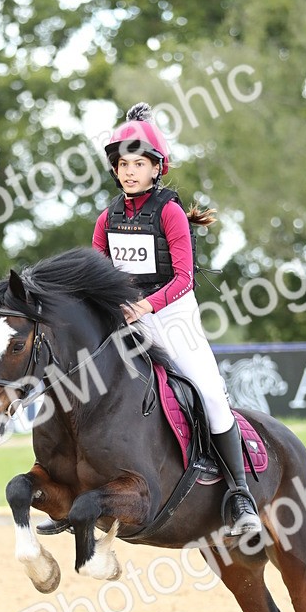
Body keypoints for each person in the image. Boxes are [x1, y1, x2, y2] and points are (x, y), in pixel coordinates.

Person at [93, 101, 261, 536]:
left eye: (138, 163)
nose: (129, 171)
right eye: (122, 164)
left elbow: (184, 278)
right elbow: (96, 276)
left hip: (172, 317)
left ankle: (240, 494)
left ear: (156, 167)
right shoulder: (106, 218)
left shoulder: (169, 212)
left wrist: (146, 306)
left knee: (208, 389)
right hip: (126, 320)